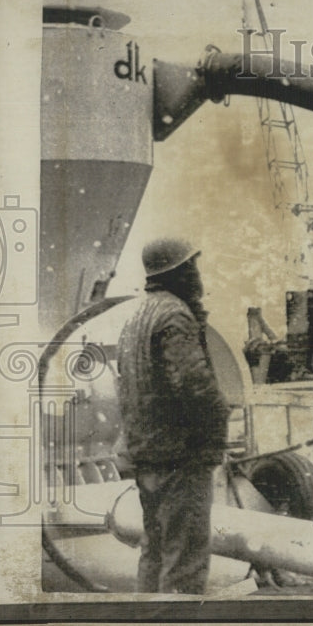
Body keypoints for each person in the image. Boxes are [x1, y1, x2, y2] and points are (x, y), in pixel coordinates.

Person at [116, 238, 230, 594]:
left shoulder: (136, 318)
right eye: (192, 267)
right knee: (184, 565)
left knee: (154, 554)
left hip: (148, 459)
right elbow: (195, 387)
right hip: (181, 461)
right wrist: (214, 437)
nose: (198, 275)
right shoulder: (174, 315)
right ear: (178, 273)